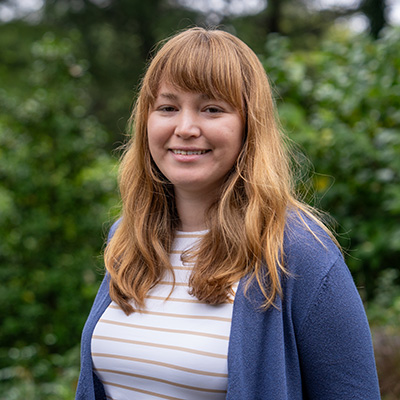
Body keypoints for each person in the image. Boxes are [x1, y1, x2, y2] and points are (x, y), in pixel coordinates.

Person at [75, 27, 381, 400]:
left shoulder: (298, 254)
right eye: (168, 107)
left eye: (212, 109)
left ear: (249, 125)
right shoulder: (128, 238)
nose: (185, 128)